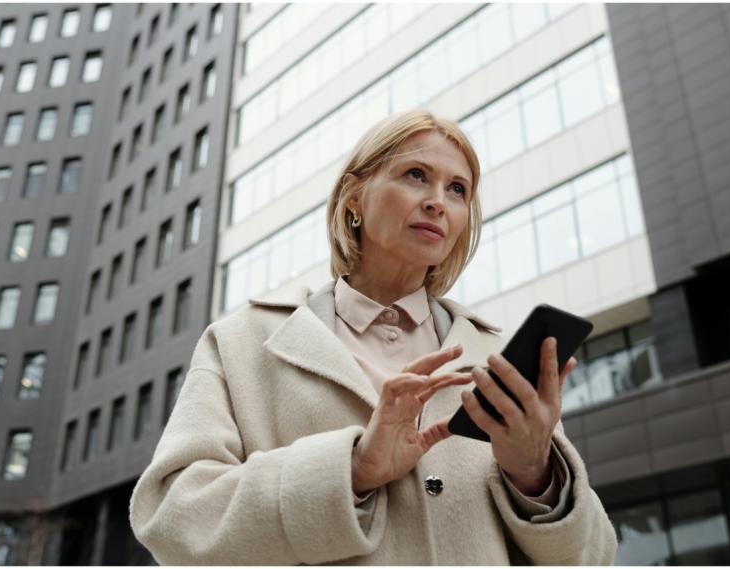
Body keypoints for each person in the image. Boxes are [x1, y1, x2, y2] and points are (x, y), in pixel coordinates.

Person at [129, 110, 617, 565]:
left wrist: (534, 473)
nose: (437, 201)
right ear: (353, 198)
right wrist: (353, 469)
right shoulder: (243, 343)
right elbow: (173, 518)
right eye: (415, 175)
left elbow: (595, 557)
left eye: (458, 189)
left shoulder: (497, 358)